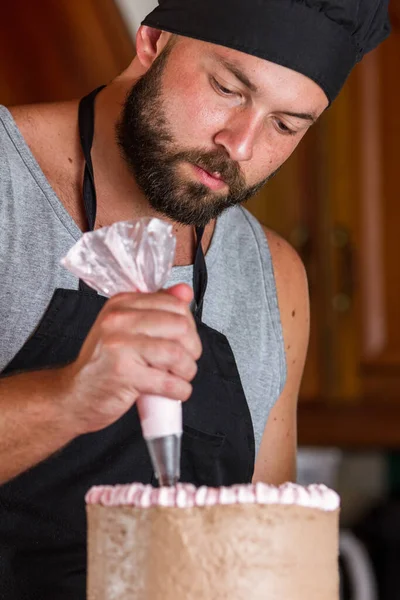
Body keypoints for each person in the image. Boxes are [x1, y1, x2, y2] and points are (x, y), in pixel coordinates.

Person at [0, 0, 390, 597]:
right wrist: (66, 399)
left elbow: (268, 561)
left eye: (286, 125)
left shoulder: (273, 276)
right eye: (228, 88)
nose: (239, 144)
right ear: (153, 41)